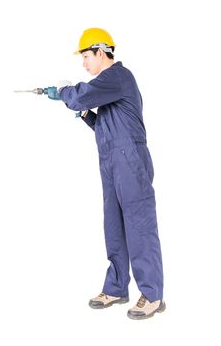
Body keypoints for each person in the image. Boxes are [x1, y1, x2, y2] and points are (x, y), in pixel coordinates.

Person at [45, 28, 165, 320]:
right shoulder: (109, 86)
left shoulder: (116, 77)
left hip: (130, 161)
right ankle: (116, 288)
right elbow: (106, 125)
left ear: (101, 52)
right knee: (114, 225)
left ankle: (152, 295)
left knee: (139, 225)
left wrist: (63, 91)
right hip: (111, 160)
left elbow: (78, 96)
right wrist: (88, 116)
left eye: (86, 56)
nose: (84, 63)